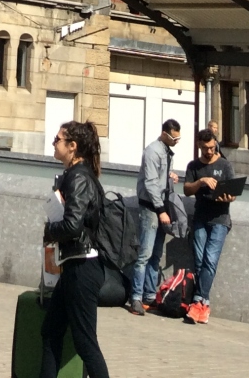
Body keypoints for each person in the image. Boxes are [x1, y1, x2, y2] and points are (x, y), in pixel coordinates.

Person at [39, 120, 110, 378]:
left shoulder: (78, 177)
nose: (53, 143)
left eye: (58, 139)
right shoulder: (78, 174)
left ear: (72, 146)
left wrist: (49, 230)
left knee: (85, 343)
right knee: (51, 331)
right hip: (75, 266)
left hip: (83, 267)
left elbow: (72, 225)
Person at [127, 119, 181, 315]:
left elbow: (158, 178)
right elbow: (150, 184)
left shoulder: (166, 152)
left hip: (160, 207)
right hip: (151, 209)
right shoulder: (153, 151)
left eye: (178, 139)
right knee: (145, 254)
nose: (176, 142)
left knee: (156, 255)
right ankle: (136, 297)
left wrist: (170, 176)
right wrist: (161, 210)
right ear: (165, 134)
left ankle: (149, 295)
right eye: (174, 138)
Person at [183, 129, 235, 324]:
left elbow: (233, 193)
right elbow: (187, 190)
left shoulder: (225, 165)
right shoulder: (194, 166)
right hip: (200, 217)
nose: (209, 151)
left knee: (210, 260)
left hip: (220, 219)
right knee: (199, 261)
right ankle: (203, 303)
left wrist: (228, 197)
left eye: (212, 147)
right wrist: (201, 181)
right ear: (199, 146)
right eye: (205, 148)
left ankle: (198, 301)